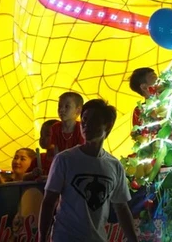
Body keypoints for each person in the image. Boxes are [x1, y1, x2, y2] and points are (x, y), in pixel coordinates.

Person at [38, 99, 138, 242]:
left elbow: (121, 208)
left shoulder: (115, 166)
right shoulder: (64, 159)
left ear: (108, 125)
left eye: (94, 120)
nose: (86, 124)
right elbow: (49, 202)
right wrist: (42, 237)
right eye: (84, 119)